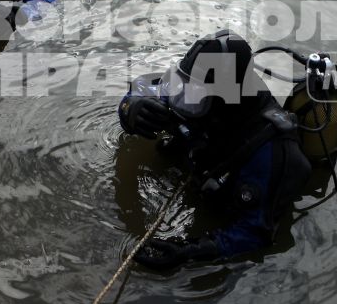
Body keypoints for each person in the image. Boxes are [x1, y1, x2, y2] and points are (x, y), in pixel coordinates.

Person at [115, 31, 314, 269]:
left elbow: (255, 233)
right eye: (185, 88)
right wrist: (132, 108)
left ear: (227, 99)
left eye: (196, 97)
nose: (183, 101)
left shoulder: (270, 151)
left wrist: (188, 252)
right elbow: (146, 85)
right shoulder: (199, 85)